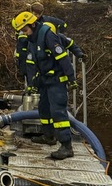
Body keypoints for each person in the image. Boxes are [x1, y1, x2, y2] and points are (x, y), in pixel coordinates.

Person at [12, 11, 77, 160]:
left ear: (32, 24)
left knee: (58, 111)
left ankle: (67, 146)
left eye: (25, 29)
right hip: (44, 80)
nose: (24, 33)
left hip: (56, 80)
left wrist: (71, 78)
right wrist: (32, 84)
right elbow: (31, 63)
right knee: (44, 109)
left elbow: (62, 57)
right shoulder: (32, 39)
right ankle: (49, 136)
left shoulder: (47, 35)